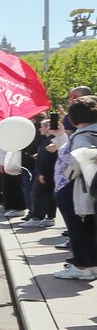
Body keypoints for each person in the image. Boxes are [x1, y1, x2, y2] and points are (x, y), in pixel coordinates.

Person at [54, 95, 97, 281]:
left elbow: (81, 158)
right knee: (88, 228)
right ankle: (90, 264)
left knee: (77, 227)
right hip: (87, 189)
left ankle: (82, 266)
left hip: (76, 188)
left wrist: (70, 173)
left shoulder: (82, 135)